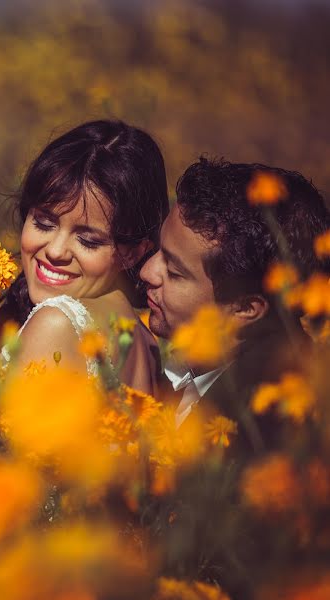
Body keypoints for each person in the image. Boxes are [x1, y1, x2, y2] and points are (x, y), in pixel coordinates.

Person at [138, 157, 329, 599]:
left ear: (245, 309)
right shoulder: (202, 365)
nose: (147, 272)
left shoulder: (265, 439)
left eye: (174, 270)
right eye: (156, 252)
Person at [0, 119, 170, 400]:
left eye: (88, 240)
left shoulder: (57, 323)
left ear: (133, 252)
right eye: (44, 223)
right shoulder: (143, 340)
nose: (56, 251)